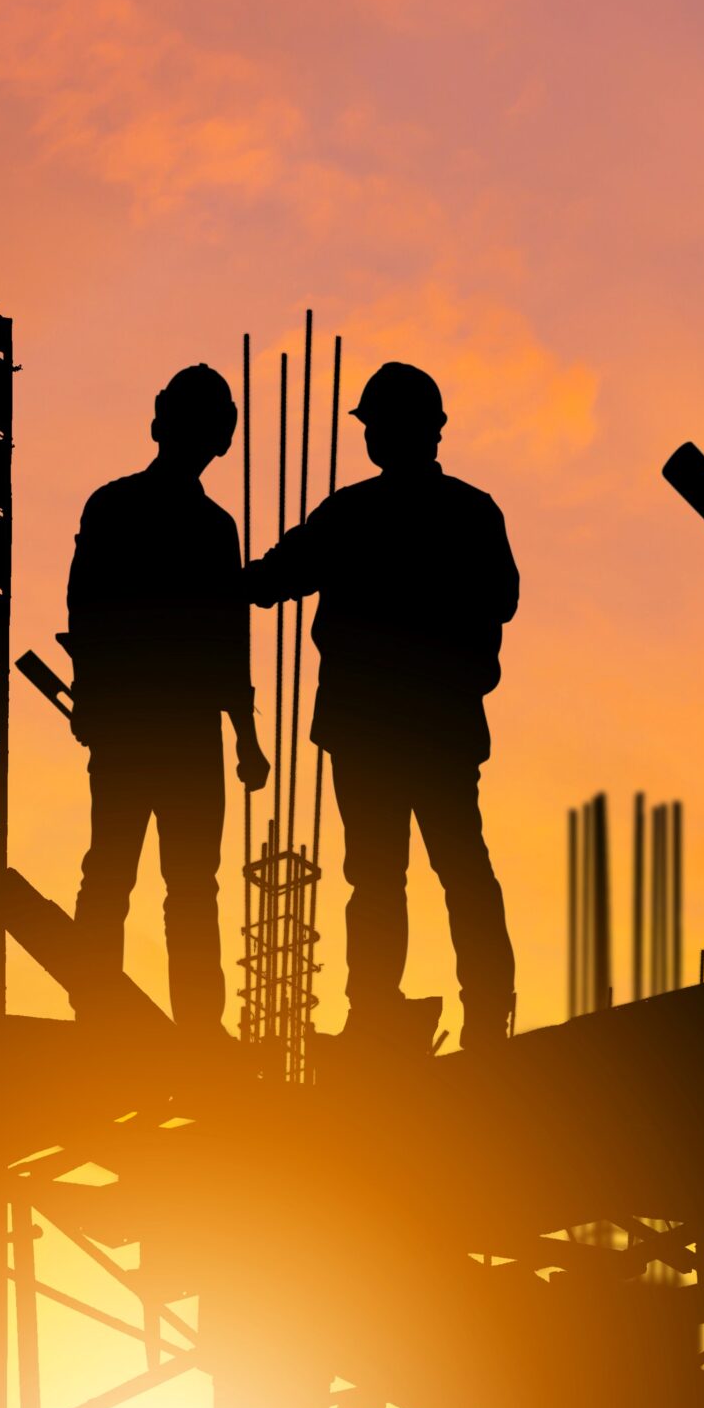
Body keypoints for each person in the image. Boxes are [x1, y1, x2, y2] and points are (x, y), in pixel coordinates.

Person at [242, 361, 519, 1052]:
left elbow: (271, 580)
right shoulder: (470, 511)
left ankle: (374, 1009)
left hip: (369, 726)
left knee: (378, 875)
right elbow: (503, 598)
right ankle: (485, 1010)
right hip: (437, 724)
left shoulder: (352, 514)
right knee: (458, 864)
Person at [66, 365, 269, 1032]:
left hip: (144, 726)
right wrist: (244, 737)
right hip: (172, 731)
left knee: (126, 874)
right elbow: (223, 641)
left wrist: (243, 736)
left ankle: (120, 1015)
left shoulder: (118, 507)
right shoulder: (206, 526)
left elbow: (92, 612)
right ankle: (188, 1029)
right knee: (174, 885)